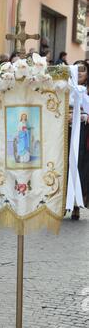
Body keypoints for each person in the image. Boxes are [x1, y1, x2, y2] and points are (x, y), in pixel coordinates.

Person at [69, 60, 89, 220]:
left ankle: (76, 203)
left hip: (83, 133)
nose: (80, 72)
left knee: (80, 166)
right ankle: (62, 202)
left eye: (83, 70)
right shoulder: (66, 89)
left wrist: (85, 116)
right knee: (65, 165)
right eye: (77, 69)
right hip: (66, 132)